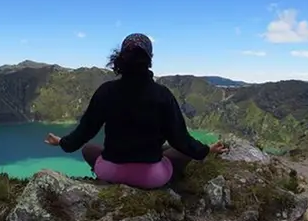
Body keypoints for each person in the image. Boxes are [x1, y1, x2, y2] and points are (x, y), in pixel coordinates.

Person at [44, 33, 228, 189]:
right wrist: (207, 150)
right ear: (149, 60)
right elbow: (180, 139)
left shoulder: (106, 91)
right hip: (150, 178)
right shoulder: (162, 95)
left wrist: (62, 142)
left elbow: (84, 132)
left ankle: (108, 177)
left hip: (111, 171)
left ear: (121, 58)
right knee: (176, 152)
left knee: (89, 150)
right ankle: (170, 177)